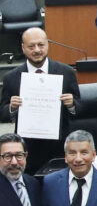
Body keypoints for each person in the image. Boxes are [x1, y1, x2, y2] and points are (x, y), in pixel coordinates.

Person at [0, 28, 81, 174]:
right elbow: (3, 114)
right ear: (23, 48)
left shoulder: (66, 72)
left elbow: (80, 108)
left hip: (59, 145)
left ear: (48, 45)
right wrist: (11, 108)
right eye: (31, 46)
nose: (37, 50)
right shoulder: (11, 77)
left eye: (41, 45)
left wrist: (71, 104)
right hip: (28, 147)